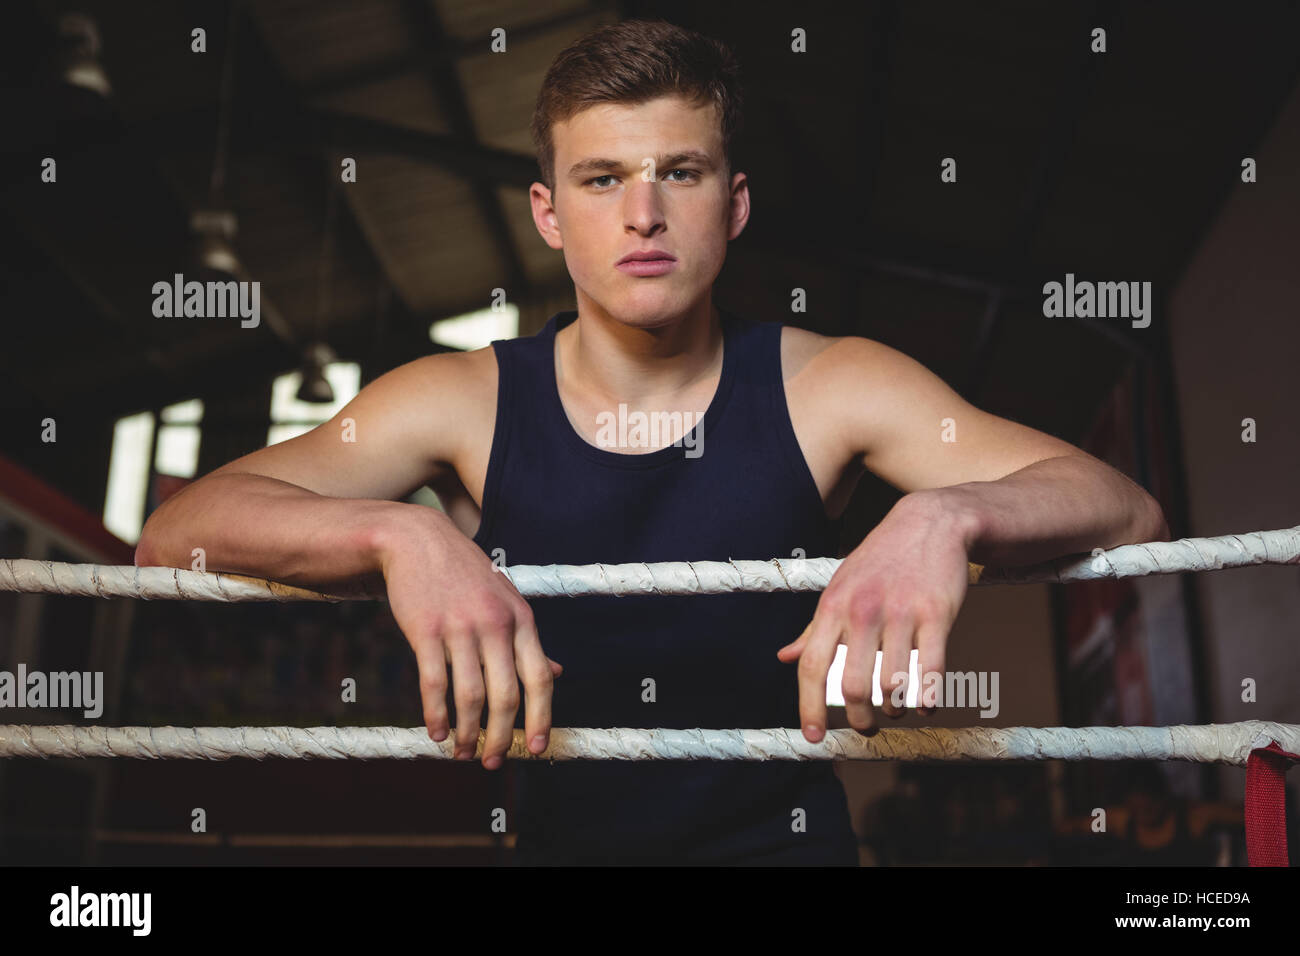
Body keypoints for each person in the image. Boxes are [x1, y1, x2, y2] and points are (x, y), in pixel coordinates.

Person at [134, 19, 1168, 865]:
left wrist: (945, 512)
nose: (642, 214)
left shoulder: (829, 384)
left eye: (680, 172)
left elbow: (1124, 505)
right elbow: (173, 531)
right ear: (546, 213)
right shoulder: (459, 399)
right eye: (599, 179)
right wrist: (396, 536)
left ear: (735, 202)